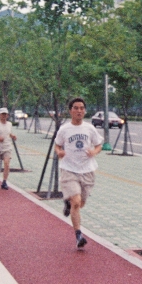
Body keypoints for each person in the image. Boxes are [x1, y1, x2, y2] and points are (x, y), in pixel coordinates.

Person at [54, 97, 103, 249]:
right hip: (69, 169)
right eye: (76, 108)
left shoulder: (90, 128)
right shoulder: (64, 129)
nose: (79, 111)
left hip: (87, 171)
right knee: (76, 202)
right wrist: (59, 152)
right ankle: (78, 235)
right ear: (70, 111)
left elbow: (99, 144)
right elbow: (57, 145)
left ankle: (68, 203)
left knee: (80, 203)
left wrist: (94, 152)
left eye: (82, 108)